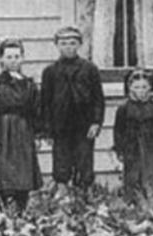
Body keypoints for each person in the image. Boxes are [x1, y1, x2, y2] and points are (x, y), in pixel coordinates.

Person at [39, 26, 106, 196]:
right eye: (64, 43)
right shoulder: (50, 72)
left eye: (72, 43)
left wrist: (96, 122)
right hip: (60, 126)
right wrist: (47, 129)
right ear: (57, 45)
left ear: (79, 45)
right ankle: (63, 195)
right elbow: (45, 102)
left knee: (84, 160)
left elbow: (98, 99)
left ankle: (85, 195)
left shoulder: (89, 69)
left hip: (84, 124)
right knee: (61, 161)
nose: (68, 47)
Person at [0, 38, 43, 211]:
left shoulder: (29, 84)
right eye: (9, 57)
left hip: (24, 131)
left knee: (24, 174)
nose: (13, 61)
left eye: (17, 56)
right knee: (4, 174)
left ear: (22, 58)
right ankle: (3, 211)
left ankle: (21, 210)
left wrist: (38, 135)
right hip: (4, 131)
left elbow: (36, 110)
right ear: (1, 59)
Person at [112, 69, 153, 205]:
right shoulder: (123, 109)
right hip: (131, 150)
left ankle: (152, 206)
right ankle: (132, 206)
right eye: (136, 87)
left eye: (144, 87)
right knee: (132, 179)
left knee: (151, 179)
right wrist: (119, 153)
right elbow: (118, 132)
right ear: (130, 87)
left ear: (150, 88)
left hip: (151, 149)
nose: (141, 91)